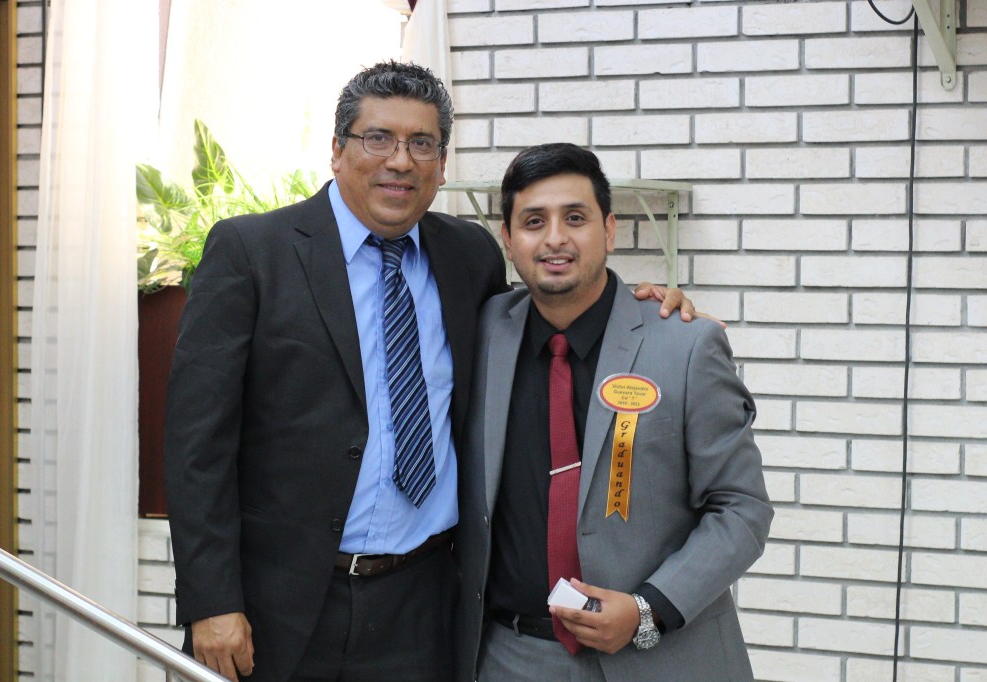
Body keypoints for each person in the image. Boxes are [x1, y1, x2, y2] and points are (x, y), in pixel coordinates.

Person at [164, 63, 694, 682]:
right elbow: (197, 442)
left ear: (442, 165)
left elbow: (543, 322)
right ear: (336, 150)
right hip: (279, 604)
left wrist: (643, 311)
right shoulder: (253, 252)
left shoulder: (467, 256)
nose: (400, 161)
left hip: (424, 604)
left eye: (422, 144)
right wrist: (211, 600)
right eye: (378, 139)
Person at [455, 143, 773, 682]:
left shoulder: (685, 345)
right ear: (507, 238)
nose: (555, 238)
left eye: (575, 218)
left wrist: (649, 610)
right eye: (533, 221)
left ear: (609, 229)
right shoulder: (480, 331)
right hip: (512, 657)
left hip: (659, 658)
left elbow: (742, 509)